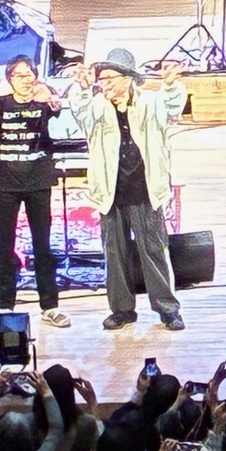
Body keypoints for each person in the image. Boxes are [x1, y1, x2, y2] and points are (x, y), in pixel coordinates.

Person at [67, 47, 187, 331]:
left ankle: (167, 309)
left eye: (109, 78)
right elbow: (80, 112)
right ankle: (122, 309)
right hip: (111, 192)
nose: (104, 84)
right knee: (115, 253)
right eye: (101, 79)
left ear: (127, 78)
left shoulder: (150, 102)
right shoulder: (98, 105)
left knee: (153, 250)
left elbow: (171, 110)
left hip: (145, 190)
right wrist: (82, 89)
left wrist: (171, 85)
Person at [0, 54, 70, 327]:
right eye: (19, 75)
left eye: (29, 74)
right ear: (10, 80)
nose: (25, 80)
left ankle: (50, 306)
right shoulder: (3, 103)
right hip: (7, 186)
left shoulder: (43, 102)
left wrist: (50, 95)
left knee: (43, 245)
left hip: (38, 184)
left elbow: (57, 105)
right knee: (5, 246)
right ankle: (5, 306)